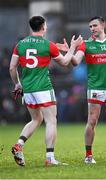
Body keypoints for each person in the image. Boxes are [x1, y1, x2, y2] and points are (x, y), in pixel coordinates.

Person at [58, 16, 106, 163]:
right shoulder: (86, 44)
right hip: (95, 88)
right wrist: (71, 49)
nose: (92, 29)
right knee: (92, 121)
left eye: (94, 25)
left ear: (103, 25)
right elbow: (75, 62)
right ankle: (88, 156)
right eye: (90, 27)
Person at [9, 16, 82, 166]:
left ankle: (19, 145)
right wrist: (73, 47)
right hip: (43, 88)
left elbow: (12, 67)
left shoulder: (20, 44)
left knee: (36, 119)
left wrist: (17, 84)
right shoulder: (48, 45)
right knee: (51, 121)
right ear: (43, 27)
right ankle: (50, 158)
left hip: (28, 89)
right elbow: (66, 62)